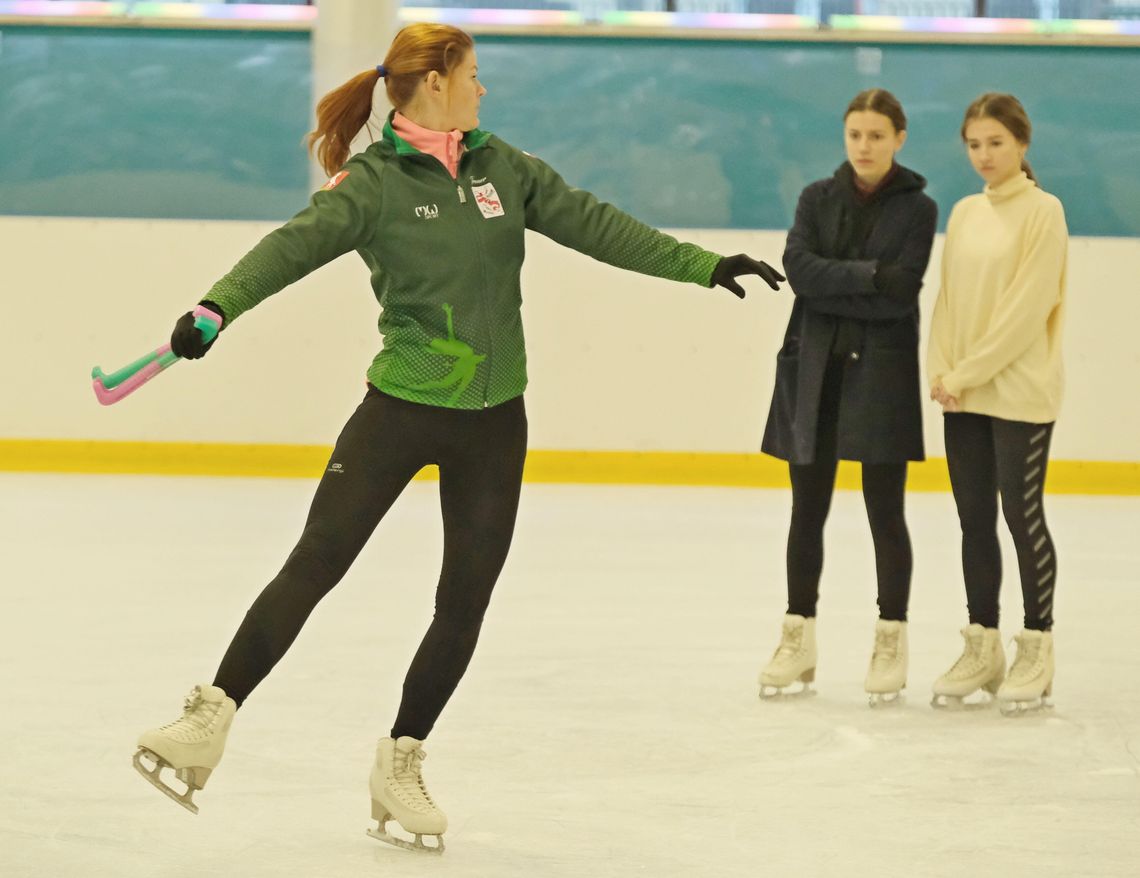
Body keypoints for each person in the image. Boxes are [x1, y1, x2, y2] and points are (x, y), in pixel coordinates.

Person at [129, 22, 784, 853]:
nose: (483, 88)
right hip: (400, 408)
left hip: (494, 420)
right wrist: (214, 307)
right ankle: (208, 720)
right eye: (473, 74)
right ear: (434, 82)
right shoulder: (371, 186)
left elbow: (598, 224)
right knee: (318, 560)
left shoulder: (501, 167)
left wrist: (702, 265)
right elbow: (288, 250)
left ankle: (401, 760)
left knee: (463, 601)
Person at [757, 89, 937, 706]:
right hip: (815, 375)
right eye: (856, 134)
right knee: (806, 513)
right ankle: (797, 635)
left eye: (877, 136)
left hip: (879, 379)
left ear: (899, 139)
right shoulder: (816, 197)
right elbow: (798, 272)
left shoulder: (918, 208)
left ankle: (891, 636)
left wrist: (838, 280)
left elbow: (903, 292)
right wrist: (867, 276)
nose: (865, 146)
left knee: (885, 512)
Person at [927, 93, 1067, 715]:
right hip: (963, 392)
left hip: (1019, 390)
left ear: (1022, 145)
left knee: (1021, 513)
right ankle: (982, 644)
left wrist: (969, 371)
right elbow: (949, 300)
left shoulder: (1044, 212)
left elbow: (1026, 310)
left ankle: (1037, 643)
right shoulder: (962, 213)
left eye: (997, 143)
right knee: (974, 517)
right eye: (975, 145)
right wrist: (942, 371)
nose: (984, 155)